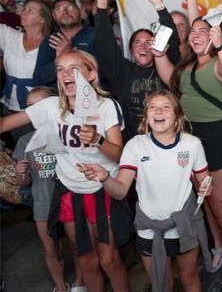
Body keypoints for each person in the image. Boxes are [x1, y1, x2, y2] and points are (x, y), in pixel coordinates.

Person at [0, 50, 130, 292]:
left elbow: (118, 154)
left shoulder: (106, 106)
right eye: (60, 69)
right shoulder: (49, 107)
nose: (66, 74)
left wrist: (98, 139)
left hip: (101, 190)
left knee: (109, 259)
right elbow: (5, 124)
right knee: (86, 260)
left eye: (74, 68)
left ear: (91, 74)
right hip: (70, 191)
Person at [79, 90, 212, 292]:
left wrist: (206, 187)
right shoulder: (135, 146)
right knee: (161, 283)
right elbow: (121, 191)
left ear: (177, 116)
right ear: (147, 116)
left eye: (166, 107)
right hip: (149, 229)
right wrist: (105, 177)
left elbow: (204, 182)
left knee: (189, 276)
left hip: (184, 224)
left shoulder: (192, 145)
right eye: (152, 107)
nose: (158, 111)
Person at [153, 16, 222, 290]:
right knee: (205, 199)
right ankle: (220, 245)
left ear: (213, 36)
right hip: (193, 138)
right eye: (192, 31)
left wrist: (221, 47)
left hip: (221, 136)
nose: (195, 35)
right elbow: (169, 77)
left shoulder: (221, 61)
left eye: (202, 31)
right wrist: (159, 54)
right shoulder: (189, 66)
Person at [13, 86, 85, 292]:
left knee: (77, 245)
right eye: (29, 107)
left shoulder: (68, 134)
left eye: (39, 106)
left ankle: (80, 283)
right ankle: (60, 286)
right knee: (51, 248)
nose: (33, 111)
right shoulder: (25, 141)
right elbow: (23, 182)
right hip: (42, 202)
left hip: (69, 199)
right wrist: (21, 171)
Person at [93, 0, 180, 141]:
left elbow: (171, 38)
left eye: (149, 42)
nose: (143, 46)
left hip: (167, 140)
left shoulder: (166, 66)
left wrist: (159, 5)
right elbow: (106, 44)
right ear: (131, 50)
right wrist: (101, 5)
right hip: (133, 144)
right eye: (137, 43)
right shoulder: (123, 71)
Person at [1, 0, 53, 143]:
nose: (24, 12)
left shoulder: (52, 43)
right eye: (24, 9)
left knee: (32, 149)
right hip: (8, 103)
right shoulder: (10, 35)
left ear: (42, 19)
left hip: (35, 108)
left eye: (30, 10)